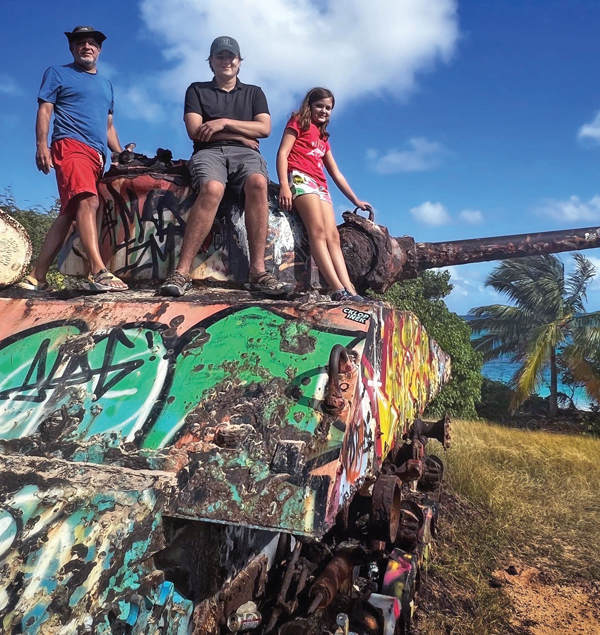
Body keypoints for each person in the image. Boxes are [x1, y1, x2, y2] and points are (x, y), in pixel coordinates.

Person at [160, 36, 293, 297]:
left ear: (240, 62)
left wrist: (221, 123)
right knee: (211, 188)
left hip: (246, 154)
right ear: (211, 62)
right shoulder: (197, 90)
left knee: (257, 182)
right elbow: (195, 131)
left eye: (231, 56)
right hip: (209, 153)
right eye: (220, 56)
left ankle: (258, 272)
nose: (226, 61)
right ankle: (182, 272)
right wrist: (242, 134)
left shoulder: (254, 93)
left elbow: (264, 129)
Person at [19, 25, 127, 292]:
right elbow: (45, 110)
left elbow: (108, 125)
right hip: (70, 145)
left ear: (99, 50)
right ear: (72, 48)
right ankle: (99, 271)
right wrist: (41, 145)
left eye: (91, 43)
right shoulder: (58, 73)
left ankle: (37, 276)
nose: (86, 46)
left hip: (97, 154)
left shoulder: (106, 84)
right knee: (88, 202)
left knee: (69, 213)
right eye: (80, 43)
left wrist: (122, 154)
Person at [276, 87, 371, 302]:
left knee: (333, 236)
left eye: (328, 108)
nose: (324, 111)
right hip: (301, 177)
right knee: (317, 231)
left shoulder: (323, 137)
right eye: (320, 106)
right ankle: (337, 289)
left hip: (320, 185)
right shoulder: (298, 122)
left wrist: (355, 200)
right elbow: (282, 153)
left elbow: (335, 172)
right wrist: (284, 185)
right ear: (310, 105)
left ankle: (351, 290)